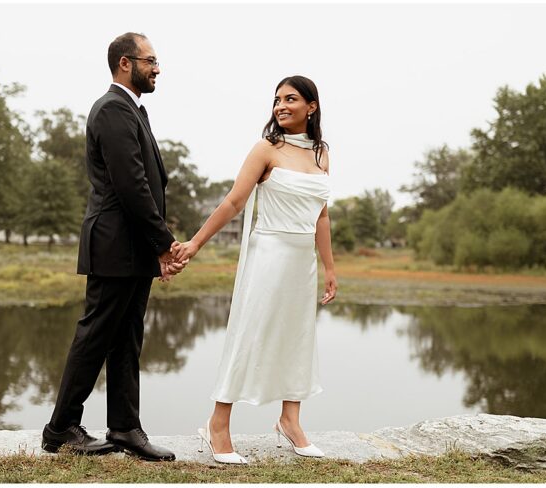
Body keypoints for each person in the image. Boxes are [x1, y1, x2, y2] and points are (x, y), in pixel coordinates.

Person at [170, 75, 337, 464]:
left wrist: (330, 267)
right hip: (269, 254)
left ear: (311, 107)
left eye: (291, 99)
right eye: (277, 99)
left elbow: (322, 215)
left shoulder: (321, 153)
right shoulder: (266, 149)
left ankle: (290, 422)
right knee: (249, 335)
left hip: (302, 261)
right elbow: (233, 203)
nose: (280, 105)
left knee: (298, 338)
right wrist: (194, 244)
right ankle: (217, 426)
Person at [43, 32, 185, 461]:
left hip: (132, 248)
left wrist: (154, 245)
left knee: (127, 339)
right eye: (151, 60)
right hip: (114, 245)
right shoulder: (112, 110)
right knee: (95, 336)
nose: (157, 68)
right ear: (126, 63)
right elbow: (132, 186)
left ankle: (125, 428)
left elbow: (146, 184)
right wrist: (165, 243)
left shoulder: (132, 110)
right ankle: (60, 428)